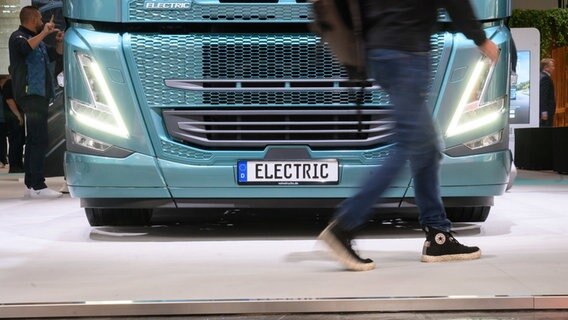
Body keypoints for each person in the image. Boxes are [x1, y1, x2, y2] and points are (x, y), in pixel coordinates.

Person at [318, 0, 500, 271]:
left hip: (380, 51)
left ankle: (438, 235)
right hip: (406, 52)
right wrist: (480, 39)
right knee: (408, 144)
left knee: (425, 148)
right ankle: (344, 225)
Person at [9, 6, 64, 198]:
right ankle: (38, 185)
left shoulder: (38, 43)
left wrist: (58, 44)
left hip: (40, 95)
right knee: (39, 139)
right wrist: (44, 32)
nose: (42, 21)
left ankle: (31, 185)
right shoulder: (18, 38)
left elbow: (54, 54)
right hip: (30, 94)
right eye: (40, 18)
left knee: (34, 139)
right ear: (32, 19)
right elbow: (25, 48)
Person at [2, 75, 26, 173]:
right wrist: (18, 115)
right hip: (13, 117)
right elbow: (9, 100)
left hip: (16, 115)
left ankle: (18, 164)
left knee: (19, 141)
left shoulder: (15, 83)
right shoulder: (9, 84)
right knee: (15, 141)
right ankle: (14, 165)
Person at [539, 58, 556, 127]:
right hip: (547, 111)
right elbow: (543, 95)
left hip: (546, 111)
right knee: (546, 131)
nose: (553, 68)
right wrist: (544, 111)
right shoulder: (545, 78)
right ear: (546, 67)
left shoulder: (541, 76)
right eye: (552, 66)